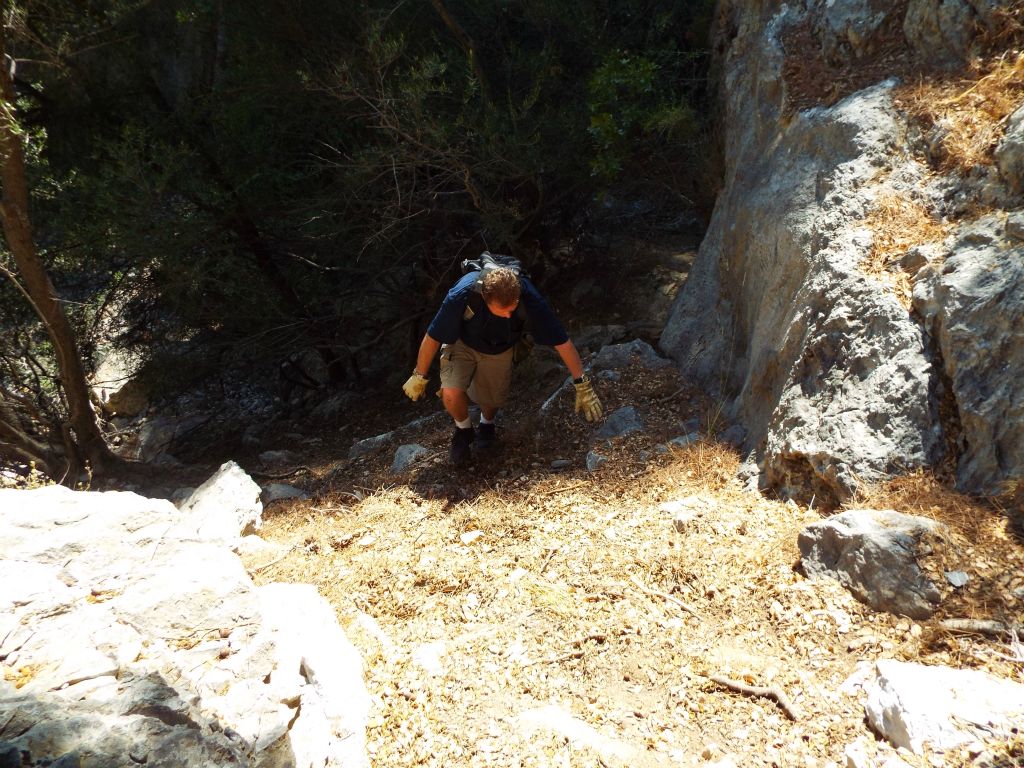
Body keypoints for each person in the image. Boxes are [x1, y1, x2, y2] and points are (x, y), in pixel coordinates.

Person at [402, 259, 603, 465]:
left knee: (491, 400)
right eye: (503, 310)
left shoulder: (529, 298)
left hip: (501, 347)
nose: (509, 315)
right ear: (486, 298)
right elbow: (433, 337)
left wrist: (582, 384)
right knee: (450, 391)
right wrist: (419, 375)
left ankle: (487, 424)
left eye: (512, 308)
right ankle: (463, 432)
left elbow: (562, 343)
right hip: (463, 342)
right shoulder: (463, 294)